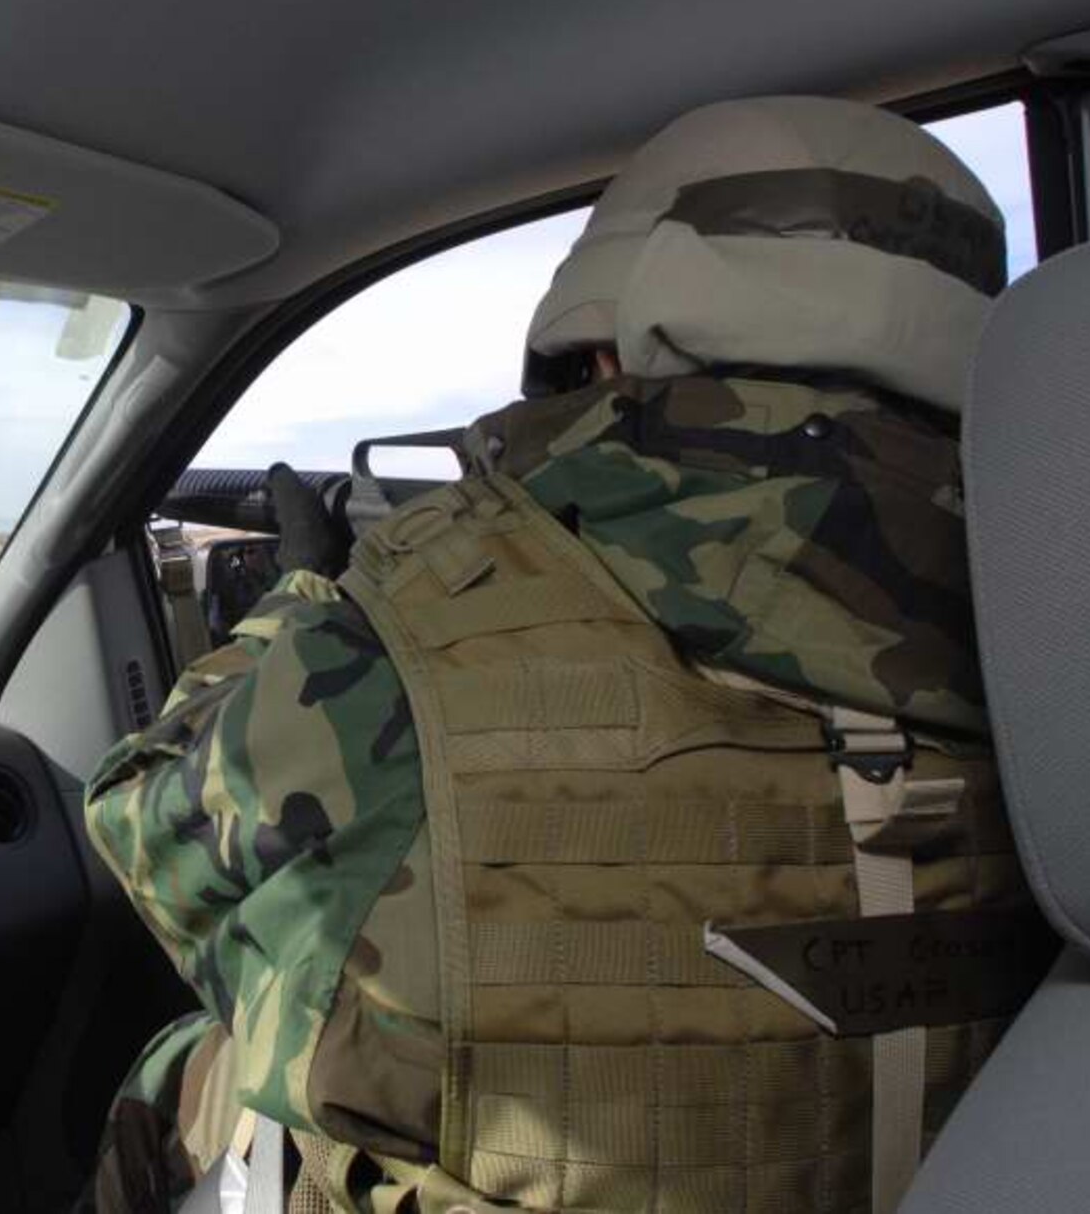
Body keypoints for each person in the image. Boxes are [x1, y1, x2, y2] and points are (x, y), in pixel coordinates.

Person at [80, 96, 1034, 1214]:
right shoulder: (1075, 609)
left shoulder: (418, 620)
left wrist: (304, 603)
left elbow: (147, 827)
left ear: (602, 332)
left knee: (187, 1069)